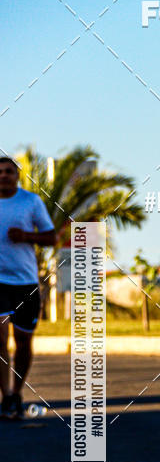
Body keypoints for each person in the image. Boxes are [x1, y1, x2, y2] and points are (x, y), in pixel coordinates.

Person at [0, 157, 56, 418]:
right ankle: (6, 396)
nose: (3, 176)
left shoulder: (30, 201)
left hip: (25, 282)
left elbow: (51, 237)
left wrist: (26, 236)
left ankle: (17, 390)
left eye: (8, 171)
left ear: (17, 175)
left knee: (22, 342)